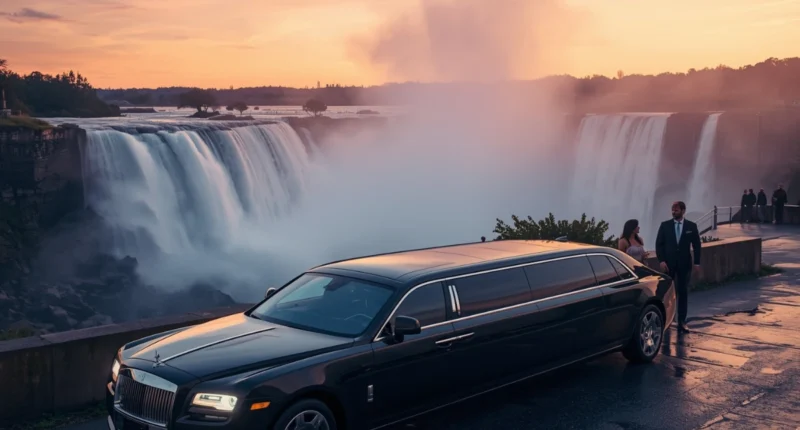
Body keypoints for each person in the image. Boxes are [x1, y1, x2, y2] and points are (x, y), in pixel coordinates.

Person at [655, 201, 702, 334]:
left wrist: (697, 263)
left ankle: (682, 321)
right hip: (668, 265)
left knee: (682, 292)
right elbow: (659, 244)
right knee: (667, 293)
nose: (673, 212)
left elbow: (697, 245)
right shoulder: (665, 226)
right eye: (672, 209)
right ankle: (667, 321)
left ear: (683, 210)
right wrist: (661, 260)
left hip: (684, 264)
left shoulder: (691, 226)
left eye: (676, 210)